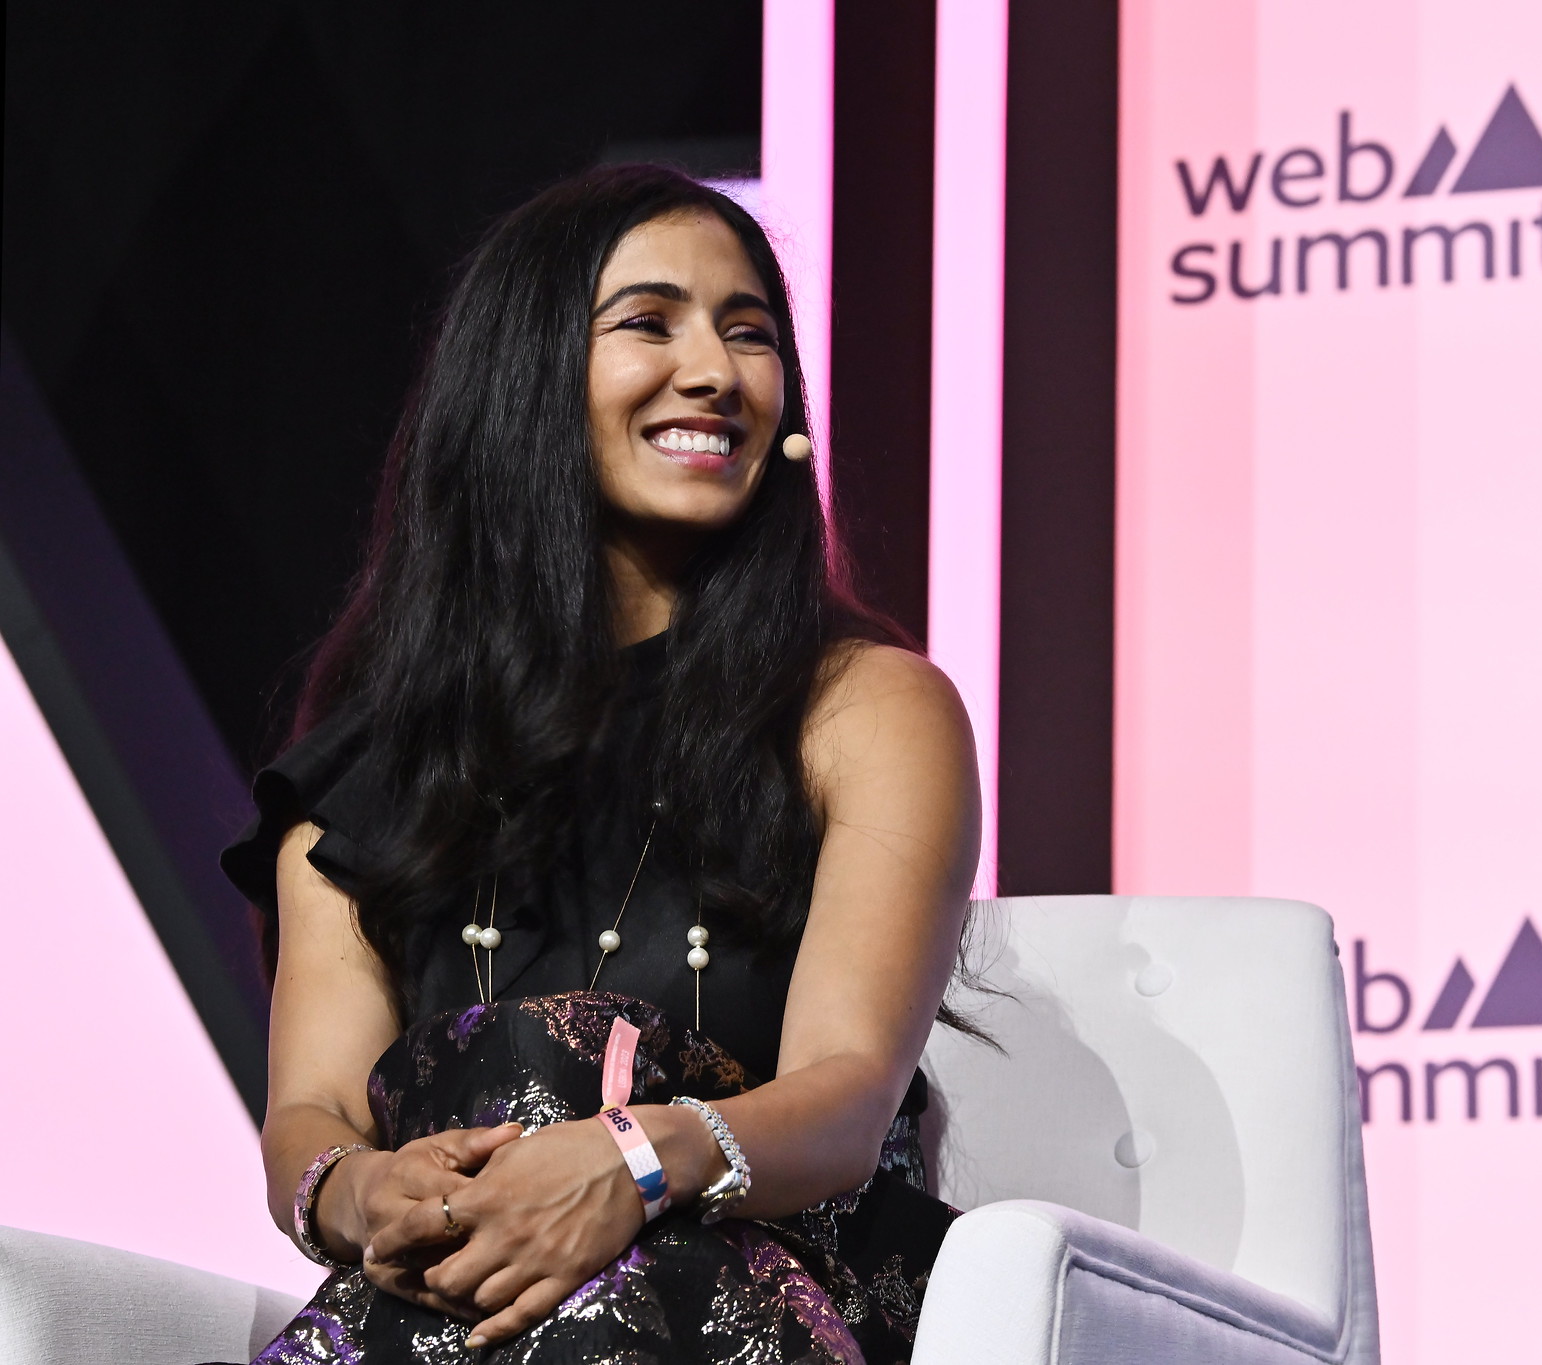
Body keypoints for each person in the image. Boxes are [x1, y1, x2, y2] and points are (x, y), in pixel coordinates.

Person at [220, 163, 980, 1363]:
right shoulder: (368, 769)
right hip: (449, 1302)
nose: (716, 373)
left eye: (750, 333)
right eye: (648, 322)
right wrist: (362, 1195)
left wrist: (629, 1161)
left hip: (759, 1294)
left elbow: (844, 1093)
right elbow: (309, 1113)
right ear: (525, 383)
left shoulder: (865, 709)